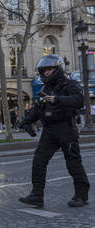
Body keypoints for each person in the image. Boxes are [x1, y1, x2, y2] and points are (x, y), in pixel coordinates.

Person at [18, 54, 90, 208]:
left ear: (57, 69)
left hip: (66, 128)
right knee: (39, 160)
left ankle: (81, 196)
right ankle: (37, 195)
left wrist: (57, 99)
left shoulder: (70, 84)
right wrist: (26, 120)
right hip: (49, 130)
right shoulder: (46, 88)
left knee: (73, 163)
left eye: (49, 70)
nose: (46, 73)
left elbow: (79, 101)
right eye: (44, 70)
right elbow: (39, 108)